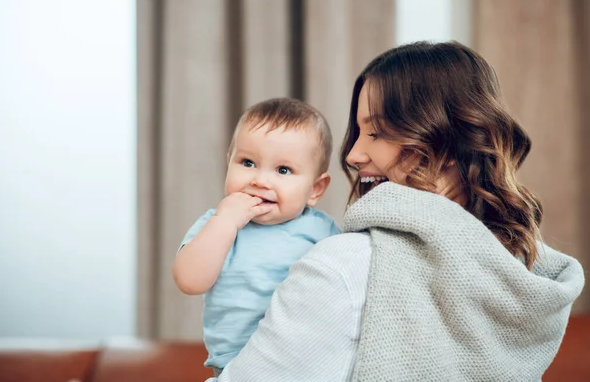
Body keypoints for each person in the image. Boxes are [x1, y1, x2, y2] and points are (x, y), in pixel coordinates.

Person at [207, 41, 585, 381]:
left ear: (448, 143)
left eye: (376, 132)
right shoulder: (516, 265)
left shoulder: (345, 266)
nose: (353, 155)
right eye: (357, 133)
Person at [172, 98, 342, 376]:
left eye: (283, 170)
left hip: (304, 363)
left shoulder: (322, 232)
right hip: (233, 366)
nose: (261, 181)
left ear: (316, 189)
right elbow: (189, 281)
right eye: (247, 162)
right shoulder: (216, 224)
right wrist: (226, 222)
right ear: (229, 163)